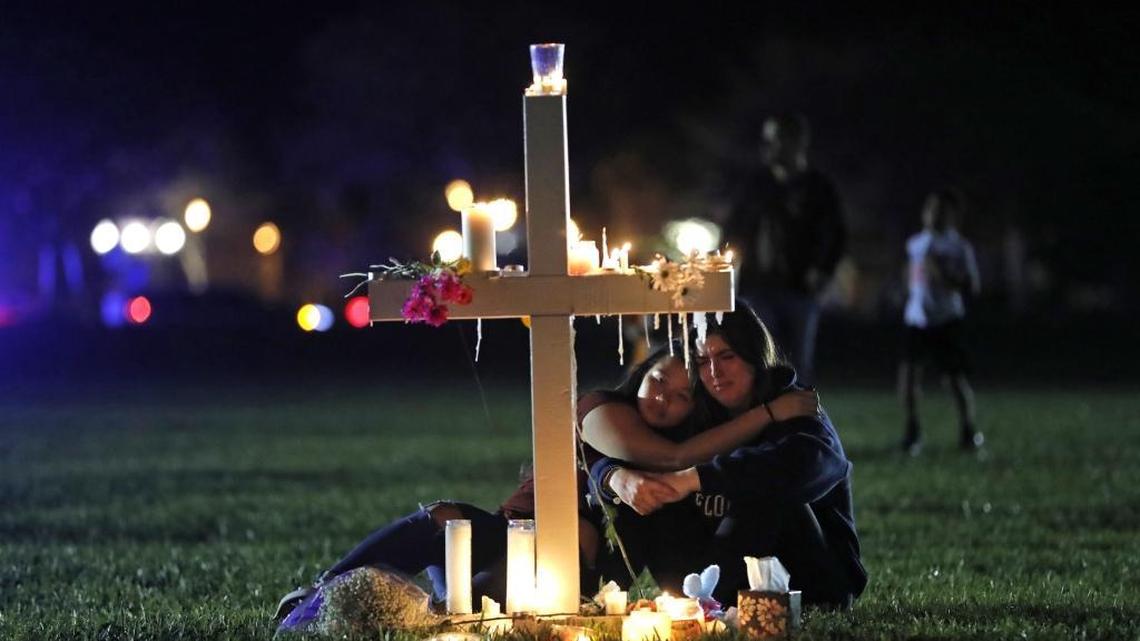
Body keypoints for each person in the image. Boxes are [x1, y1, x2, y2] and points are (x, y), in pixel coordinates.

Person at [273, 344, 819, 622]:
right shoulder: (602, 410)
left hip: (563, 571)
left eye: (681, 397)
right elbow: (646, 455)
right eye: (658, 381)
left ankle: (408, 609)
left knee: (473, 605)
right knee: (446, 521)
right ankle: (320, 593)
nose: (664, 399)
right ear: (641, 374)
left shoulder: (682, 463)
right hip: (510, 530)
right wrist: (768, 415)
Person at [588, 304, 867, 609]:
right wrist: (614, 477)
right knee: (644, 487)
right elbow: (623, 453)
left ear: (753, 355)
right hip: (712, 572)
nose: (715, 372)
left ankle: (705, 604)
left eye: (726, 357)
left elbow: (809, 464)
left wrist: (694, 478)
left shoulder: (792, 403)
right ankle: (599, 597)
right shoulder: (696, 407)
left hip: (808, 580)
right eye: (703, 361)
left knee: (765, 488)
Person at [722, 113, 846, 385]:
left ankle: (800, 422)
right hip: (757, 288)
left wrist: (822, 270)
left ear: (797, 142)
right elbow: (733, 228)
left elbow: (836, 234)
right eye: (767, 140)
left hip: (800, 290)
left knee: (799, 363)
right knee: (762, 358)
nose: (768, 147)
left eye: (775, 139)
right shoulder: (755, 186)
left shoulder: (818, 188)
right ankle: (767, 421)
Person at [899, 189, 983, 455]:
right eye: (930, 208)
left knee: (954, 379)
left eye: (940, 210)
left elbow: (972, 285)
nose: (934, 214)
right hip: (916, 319)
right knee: (909, 377)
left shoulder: (959, 247)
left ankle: (968, 431)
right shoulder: (915, 243)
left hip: (947, 320)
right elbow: (911, 277)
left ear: (951, 215)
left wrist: (944, 275)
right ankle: (912, 433)